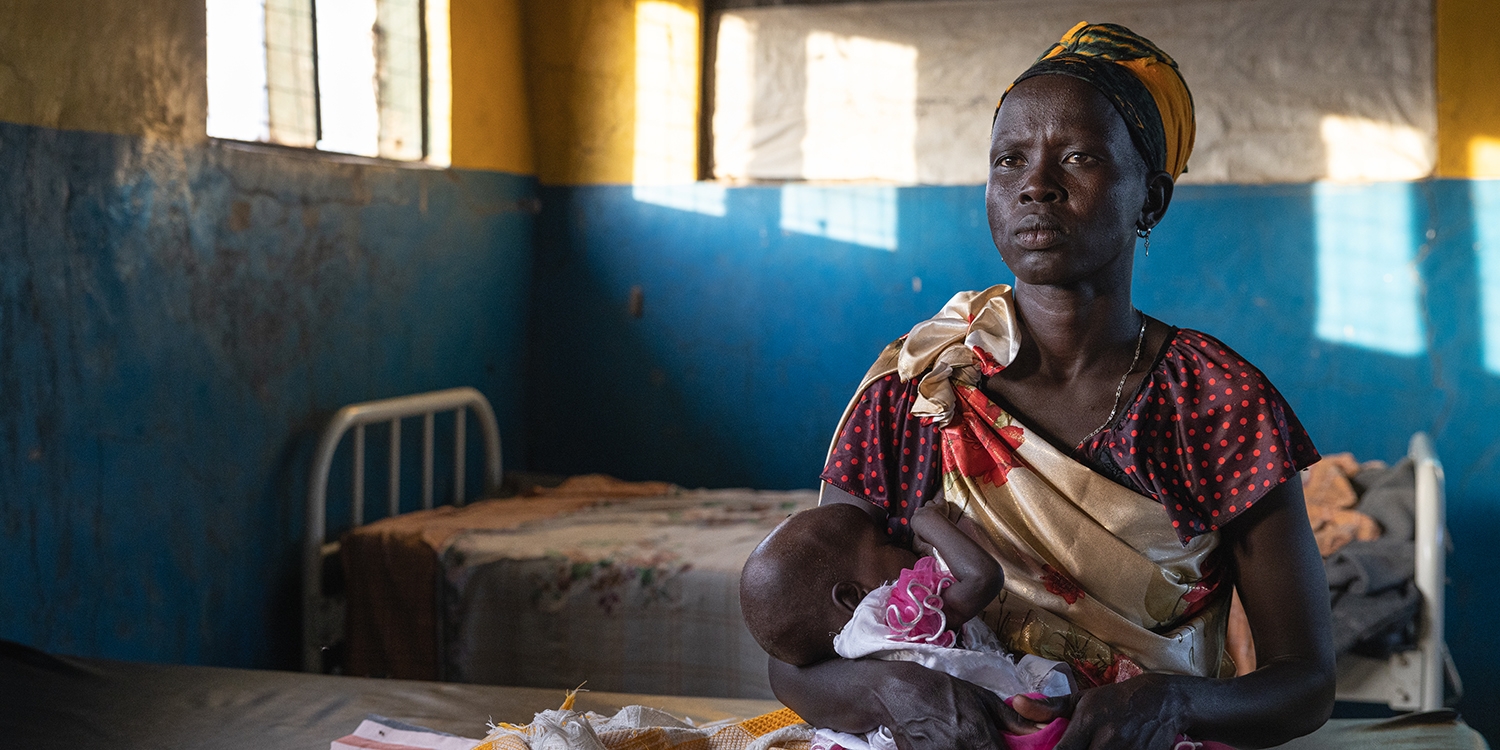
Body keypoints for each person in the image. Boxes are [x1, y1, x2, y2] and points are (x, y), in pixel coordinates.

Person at [768, 21, 1336, 750]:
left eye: (1079, 157)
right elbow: (799, 661)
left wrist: (1172, 705)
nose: (1035, 184)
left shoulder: (1215, 401)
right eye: (1009, 160)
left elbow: (1306, 682)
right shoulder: (917, 387)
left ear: (1151, 201)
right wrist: (892, 688)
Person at [741, 502, 1075, 750]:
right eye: (890, 544)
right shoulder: (896, 616)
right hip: (987, 728)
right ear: (853, 597)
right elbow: (983, 578)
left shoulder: (847, 645)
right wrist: (929, 522)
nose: (907, 545)